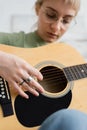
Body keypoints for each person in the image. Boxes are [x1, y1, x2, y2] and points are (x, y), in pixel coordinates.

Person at [1, 0, 87, 130]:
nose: (56, 27)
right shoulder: (9, 42)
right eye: (51, 15)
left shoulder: (70, 56)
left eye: (66, 21)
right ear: (37, 8)